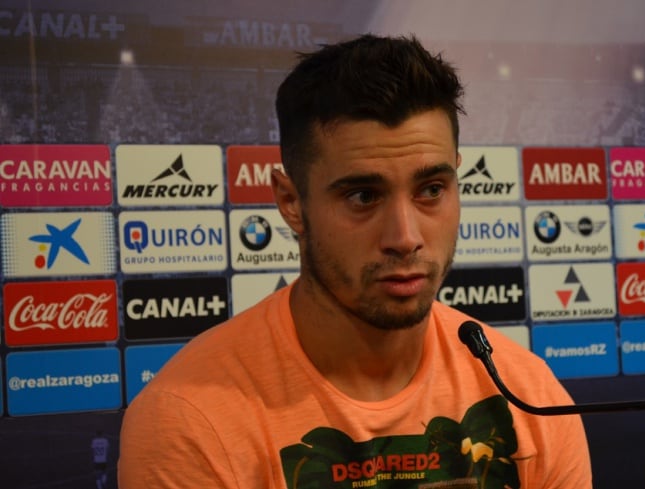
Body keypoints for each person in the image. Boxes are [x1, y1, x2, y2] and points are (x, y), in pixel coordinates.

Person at [118, 33, 592, 488]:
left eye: (431, 190)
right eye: (363, 195)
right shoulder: (189, 420)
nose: (405, 238)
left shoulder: (529, 395)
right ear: (290, 202)